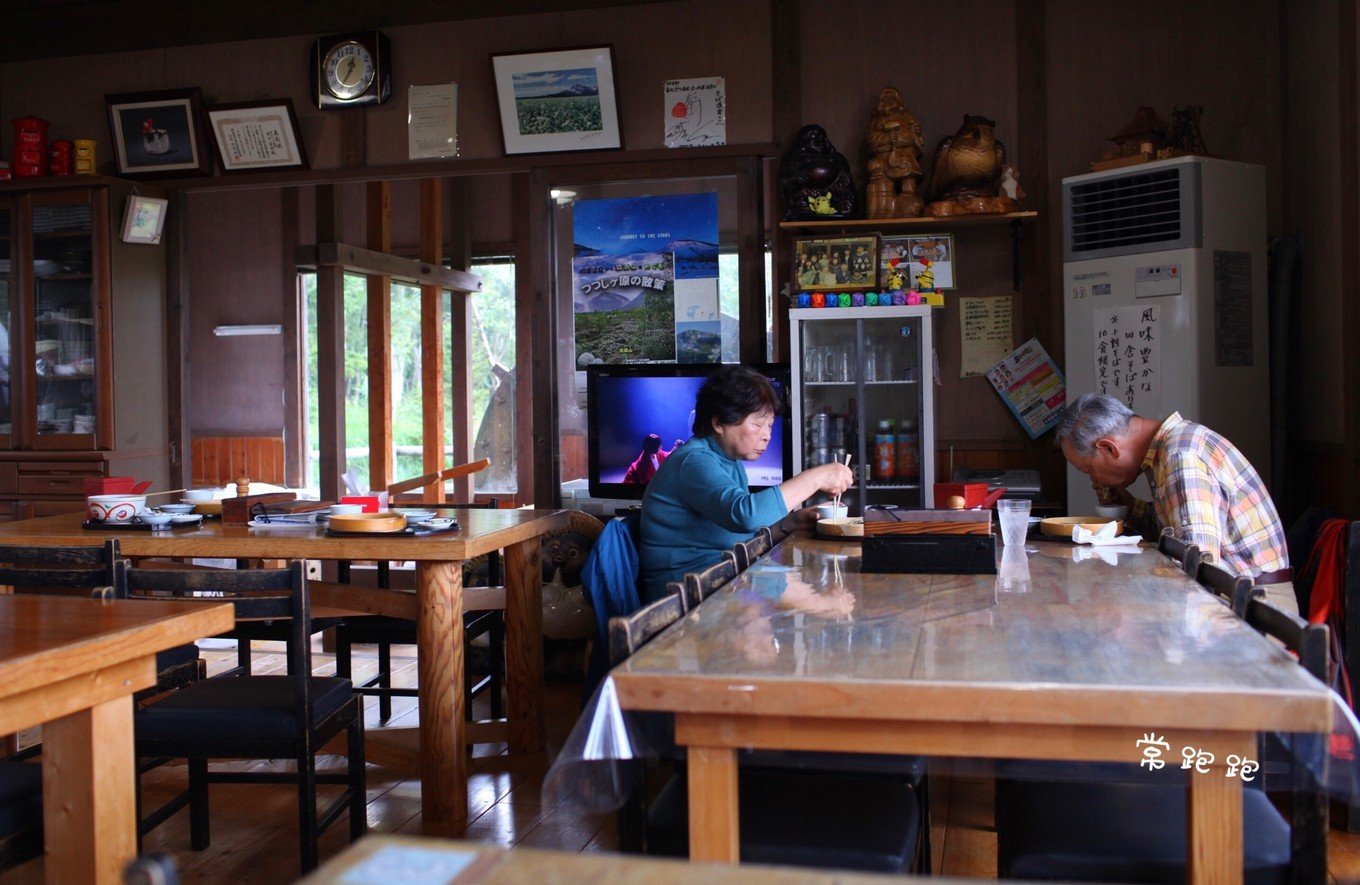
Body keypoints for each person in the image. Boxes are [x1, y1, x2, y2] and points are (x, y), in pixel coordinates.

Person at [1055, 393, 1295, 614]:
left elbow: (1199, 567)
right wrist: (1130, 507)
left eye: (1088, 469)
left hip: (1257, 610)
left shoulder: (1181, 455)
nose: (1093, 479)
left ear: (1108, 447)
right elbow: (1182, 538)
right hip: (1237, 597)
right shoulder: (1168, 450)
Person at [637, 365, 854, 602]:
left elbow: (740, 534)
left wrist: (787, 524)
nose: (767, 435)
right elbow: (745, 514)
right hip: (683, 597)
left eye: (770, 425)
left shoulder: (729, 462)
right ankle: (828, 610)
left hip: (718, 580)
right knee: (799, 590)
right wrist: (816, 477)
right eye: (757, 424)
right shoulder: (693, 461)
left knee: (795, 581)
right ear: (719, 423)